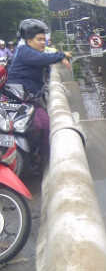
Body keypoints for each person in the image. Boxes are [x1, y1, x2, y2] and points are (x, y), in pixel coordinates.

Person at [8, 19, 71, 165]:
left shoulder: (29, 50)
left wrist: (60, 55)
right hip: (18, 99)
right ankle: (36, 160)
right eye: (39, 39)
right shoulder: (25, 52)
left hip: (30, 99)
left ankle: (43, 159)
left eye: (44, 39)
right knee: (38, 126)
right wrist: (62, 56)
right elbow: (43, 58)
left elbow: (47, 53)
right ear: (29, 41)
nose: (43, 42)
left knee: (45, 124)